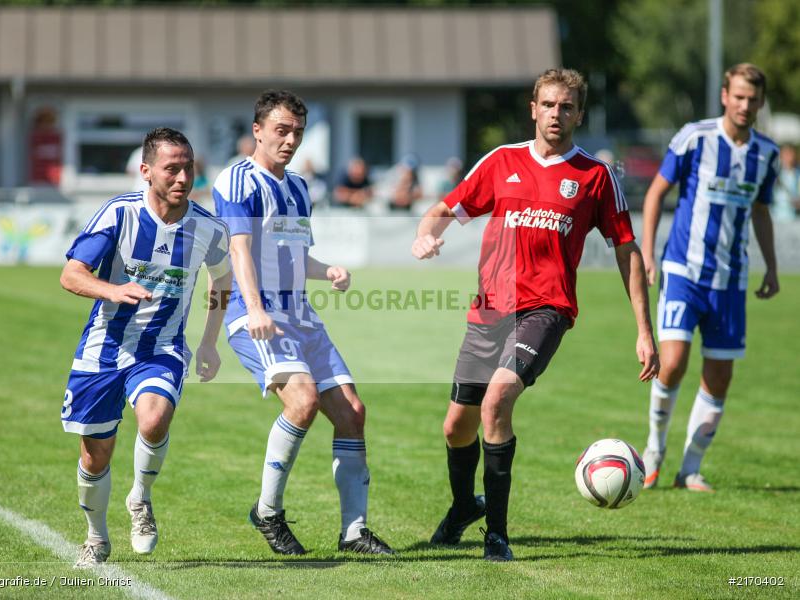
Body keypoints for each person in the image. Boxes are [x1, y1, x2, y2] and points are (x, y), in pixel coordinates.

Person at [411, 68, 659, 562]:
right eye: (548, 104)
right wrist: (426, 234)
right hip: (488, 311)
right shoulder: (501, 162)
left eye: (566, 107)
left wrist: (643, 331)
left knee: (497, 400)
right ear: (533, 108)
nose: (556, 114)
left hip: (546, 309)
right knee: (456, 427)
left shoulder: (595, 176)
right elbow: (444, 207)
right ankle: (463, 507)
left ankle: (497, 536)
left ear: (579, 114)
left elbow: (626, 250)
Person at [213, 90, 394, 556]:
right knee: (303, 400)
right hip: (258, 316)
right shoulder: (238, 180)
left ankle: (354, 532)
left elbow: (294, 256)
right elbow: (239, 250)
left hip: (302, 317)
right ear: (257, 131)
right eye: (281, 130)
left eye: (297, 132)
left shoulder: (297, 188)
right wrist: (254, 309)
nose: (291, 140)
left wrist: (327, 268)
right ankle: (268, 512)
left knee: (353, 413)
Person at [59, 127, 232, 568]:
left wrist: (210, 341)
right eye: (171, 168)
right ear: (146, 171)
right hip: (103, 349)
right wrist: (111, 291)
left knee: (154, 419)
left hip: (162, 347)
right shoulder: (118, 215)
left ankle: (141, 498)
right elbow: (72, 274)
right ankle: (96, 538)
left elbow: (223, 279)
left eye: (188, 168)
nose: (181, 177)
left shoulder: (208, 229)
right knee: (95, 457)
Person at [640, 63, 780, 493]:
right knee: (675, 361)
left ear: (759, 103)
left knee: (719, 376)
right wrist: (647, 252)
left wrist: (771, 266)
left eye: (752, 99)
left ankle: (690, 469)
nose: (744, 105)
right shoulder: (694, 137)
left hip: (731, 279)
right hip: (683, 270)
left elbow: (760, 211)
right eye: (738, 96)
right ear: (725, 96)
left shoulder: (766, 154)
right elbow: (656, 192)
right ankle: (653, 453)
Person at [772, 143, 799, 222]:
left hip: (794, 218)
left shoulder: (797, 174)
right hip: (775, 217)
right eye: (785, 154)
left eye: (790, 154)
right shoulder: (774, 174)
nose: (788, 157)